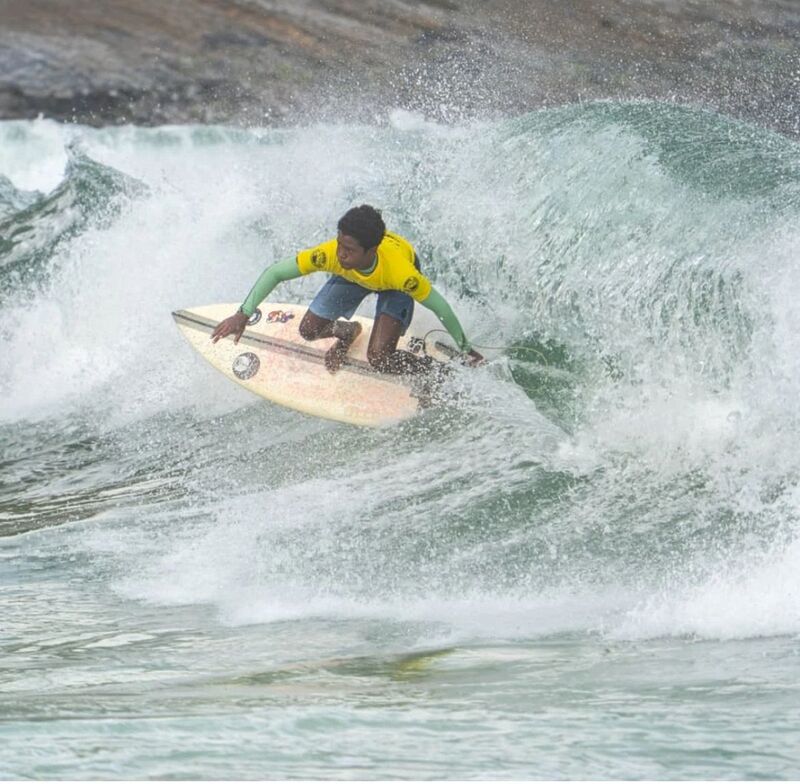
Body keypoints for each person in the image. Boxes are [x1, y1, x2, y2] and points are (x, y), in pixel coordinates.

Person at [211, 205, 484, 374]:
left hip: (391, 286)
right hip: (354, 276)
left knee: (380, 358)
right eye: (340, 243)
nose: (340, 253)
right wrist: (243, 314)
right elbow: (275, 273)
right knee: (309, 330)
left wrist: (466, 348)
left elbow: (440, 307)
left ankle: (432, 373)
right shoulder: (332, 254)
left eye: (349, 249)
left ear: (371, 250)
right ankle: (347, 333)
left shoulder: (402, 273)